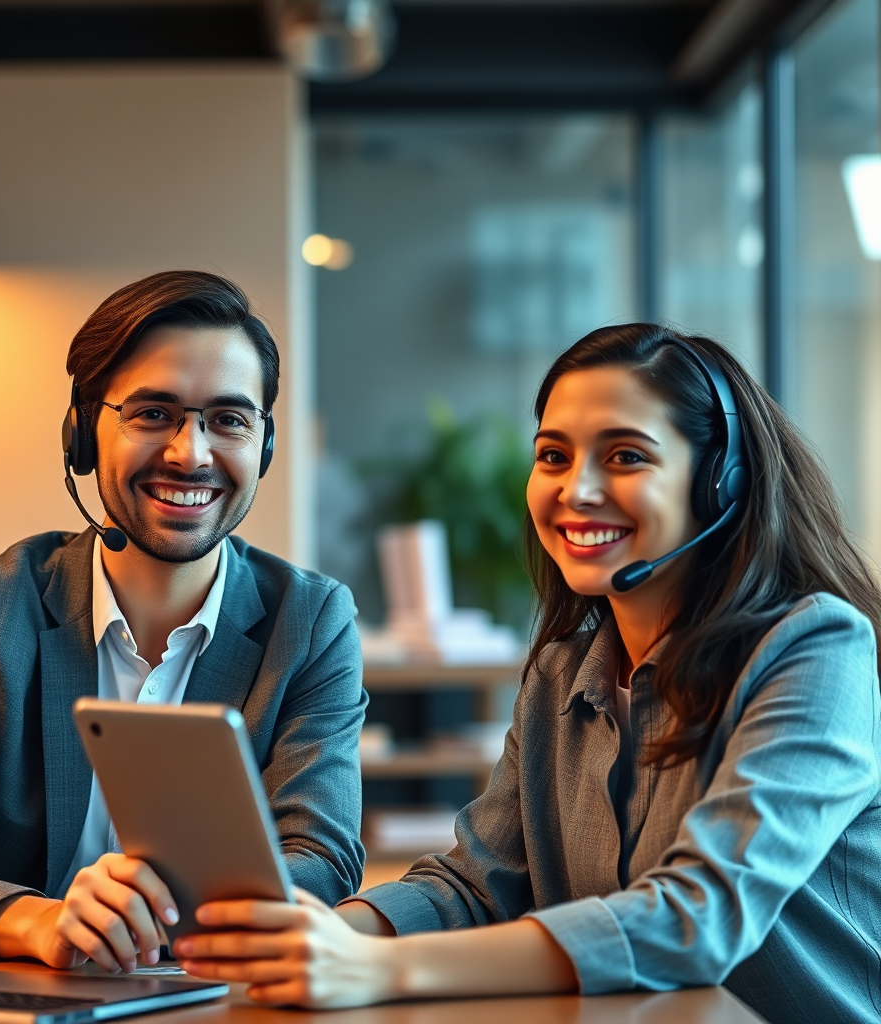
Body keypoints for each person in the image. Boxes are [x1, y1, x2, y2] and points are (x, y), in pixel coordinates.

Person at [169, 324, 881, 1024]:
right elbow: (479, 884)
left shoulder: (815, 649)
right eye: (553, 456)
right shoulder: (563, 673)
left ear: (719, 483)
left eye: (627, 456)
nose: (578, 490)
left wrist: (379, 970)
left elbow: (699, 916)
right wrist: (321, 935)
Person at [0, 270, 367, 975]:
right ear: (83, 434)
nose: (191, 453)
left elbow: (322, 857)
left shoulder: (310, 621)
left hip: (212, 997)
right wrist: (42, 923)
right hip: (21, 998)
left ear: (264, 446)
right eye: (153, 413)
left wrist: (170, 915)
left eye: (228, 419)